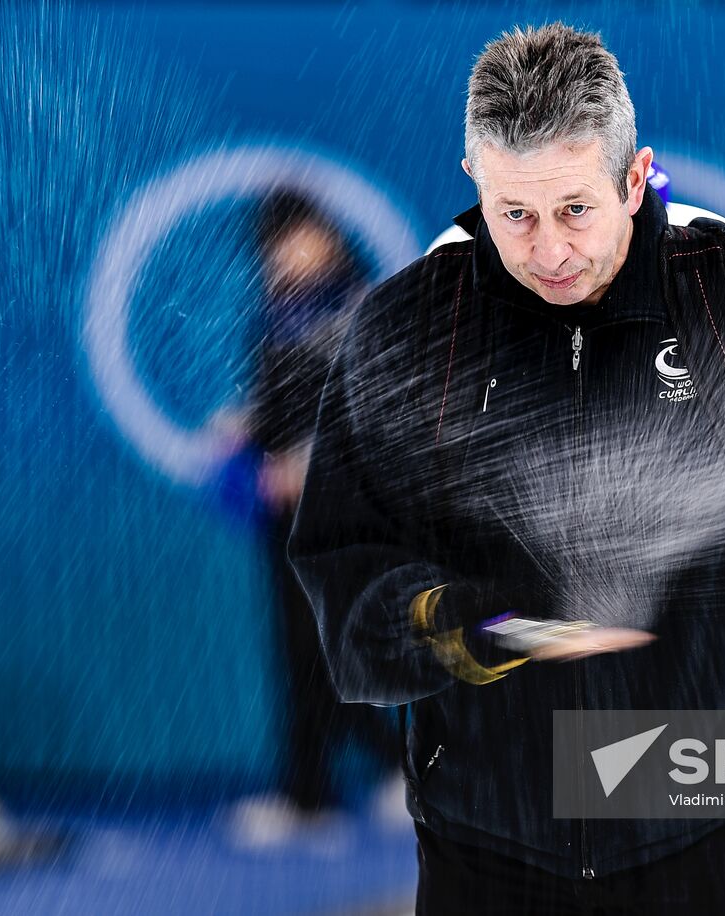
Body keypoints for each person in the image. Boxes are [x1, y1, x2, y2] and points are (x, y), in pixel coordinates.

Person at [289, 23, 725, 913]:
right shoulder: (411, 325)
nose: (548, 251)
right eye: (515, 214)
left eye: (574, 208)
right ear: (475, 184)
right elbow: (344, 574)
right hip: (482, 835)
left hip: (695, 820)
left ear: (635, 173)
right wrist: (466, 627)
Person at [225, 188, 402, 844]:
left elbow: (372, 408)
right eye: (276, 242)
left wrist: (309, 458)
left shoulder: (357, 306)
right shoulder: (276, 313)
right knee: (301, 656)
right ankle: (321, 789)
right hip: (283, 514)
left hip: (339, 507)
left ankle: (351, 781)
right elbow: (275, 403)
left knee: (325, 650)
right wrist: (245, 427)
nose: (288, 253)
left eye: (300, 236)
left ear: (327, 237)